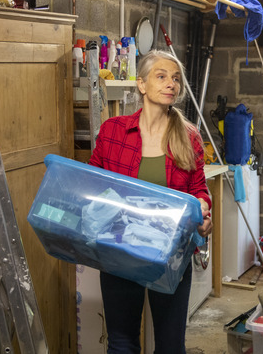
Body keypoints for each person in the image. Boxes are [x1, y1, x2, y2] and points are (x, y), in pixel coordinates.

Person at [89, 49, 213, 353]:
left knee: (170, 345)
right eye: (161, 76)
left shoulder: (189, 136)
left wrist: (205, 210)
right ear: (142, 84)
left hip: (170, 255)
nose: (171, 83)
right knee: (121, 343)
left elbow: (199, 188)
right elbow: (92, 186)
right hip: (120, 250)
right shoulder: (113, 131)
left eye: (175, 79)